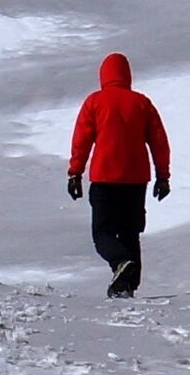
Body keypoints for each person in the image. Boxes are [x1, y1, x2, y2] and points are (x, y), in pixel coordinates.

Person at [65, 52, 171, 298]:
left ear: (103, 75)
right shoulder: (142, 103)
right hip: (136, 180)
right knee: (130, 231)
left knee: (102, 233)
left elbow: (81, 141)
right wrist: (163, 176)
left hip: (105, 178)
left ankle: (121, 263)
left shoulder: (95, 102)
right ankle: (127, 285)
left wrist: (75, 173)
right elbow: (159, 143)